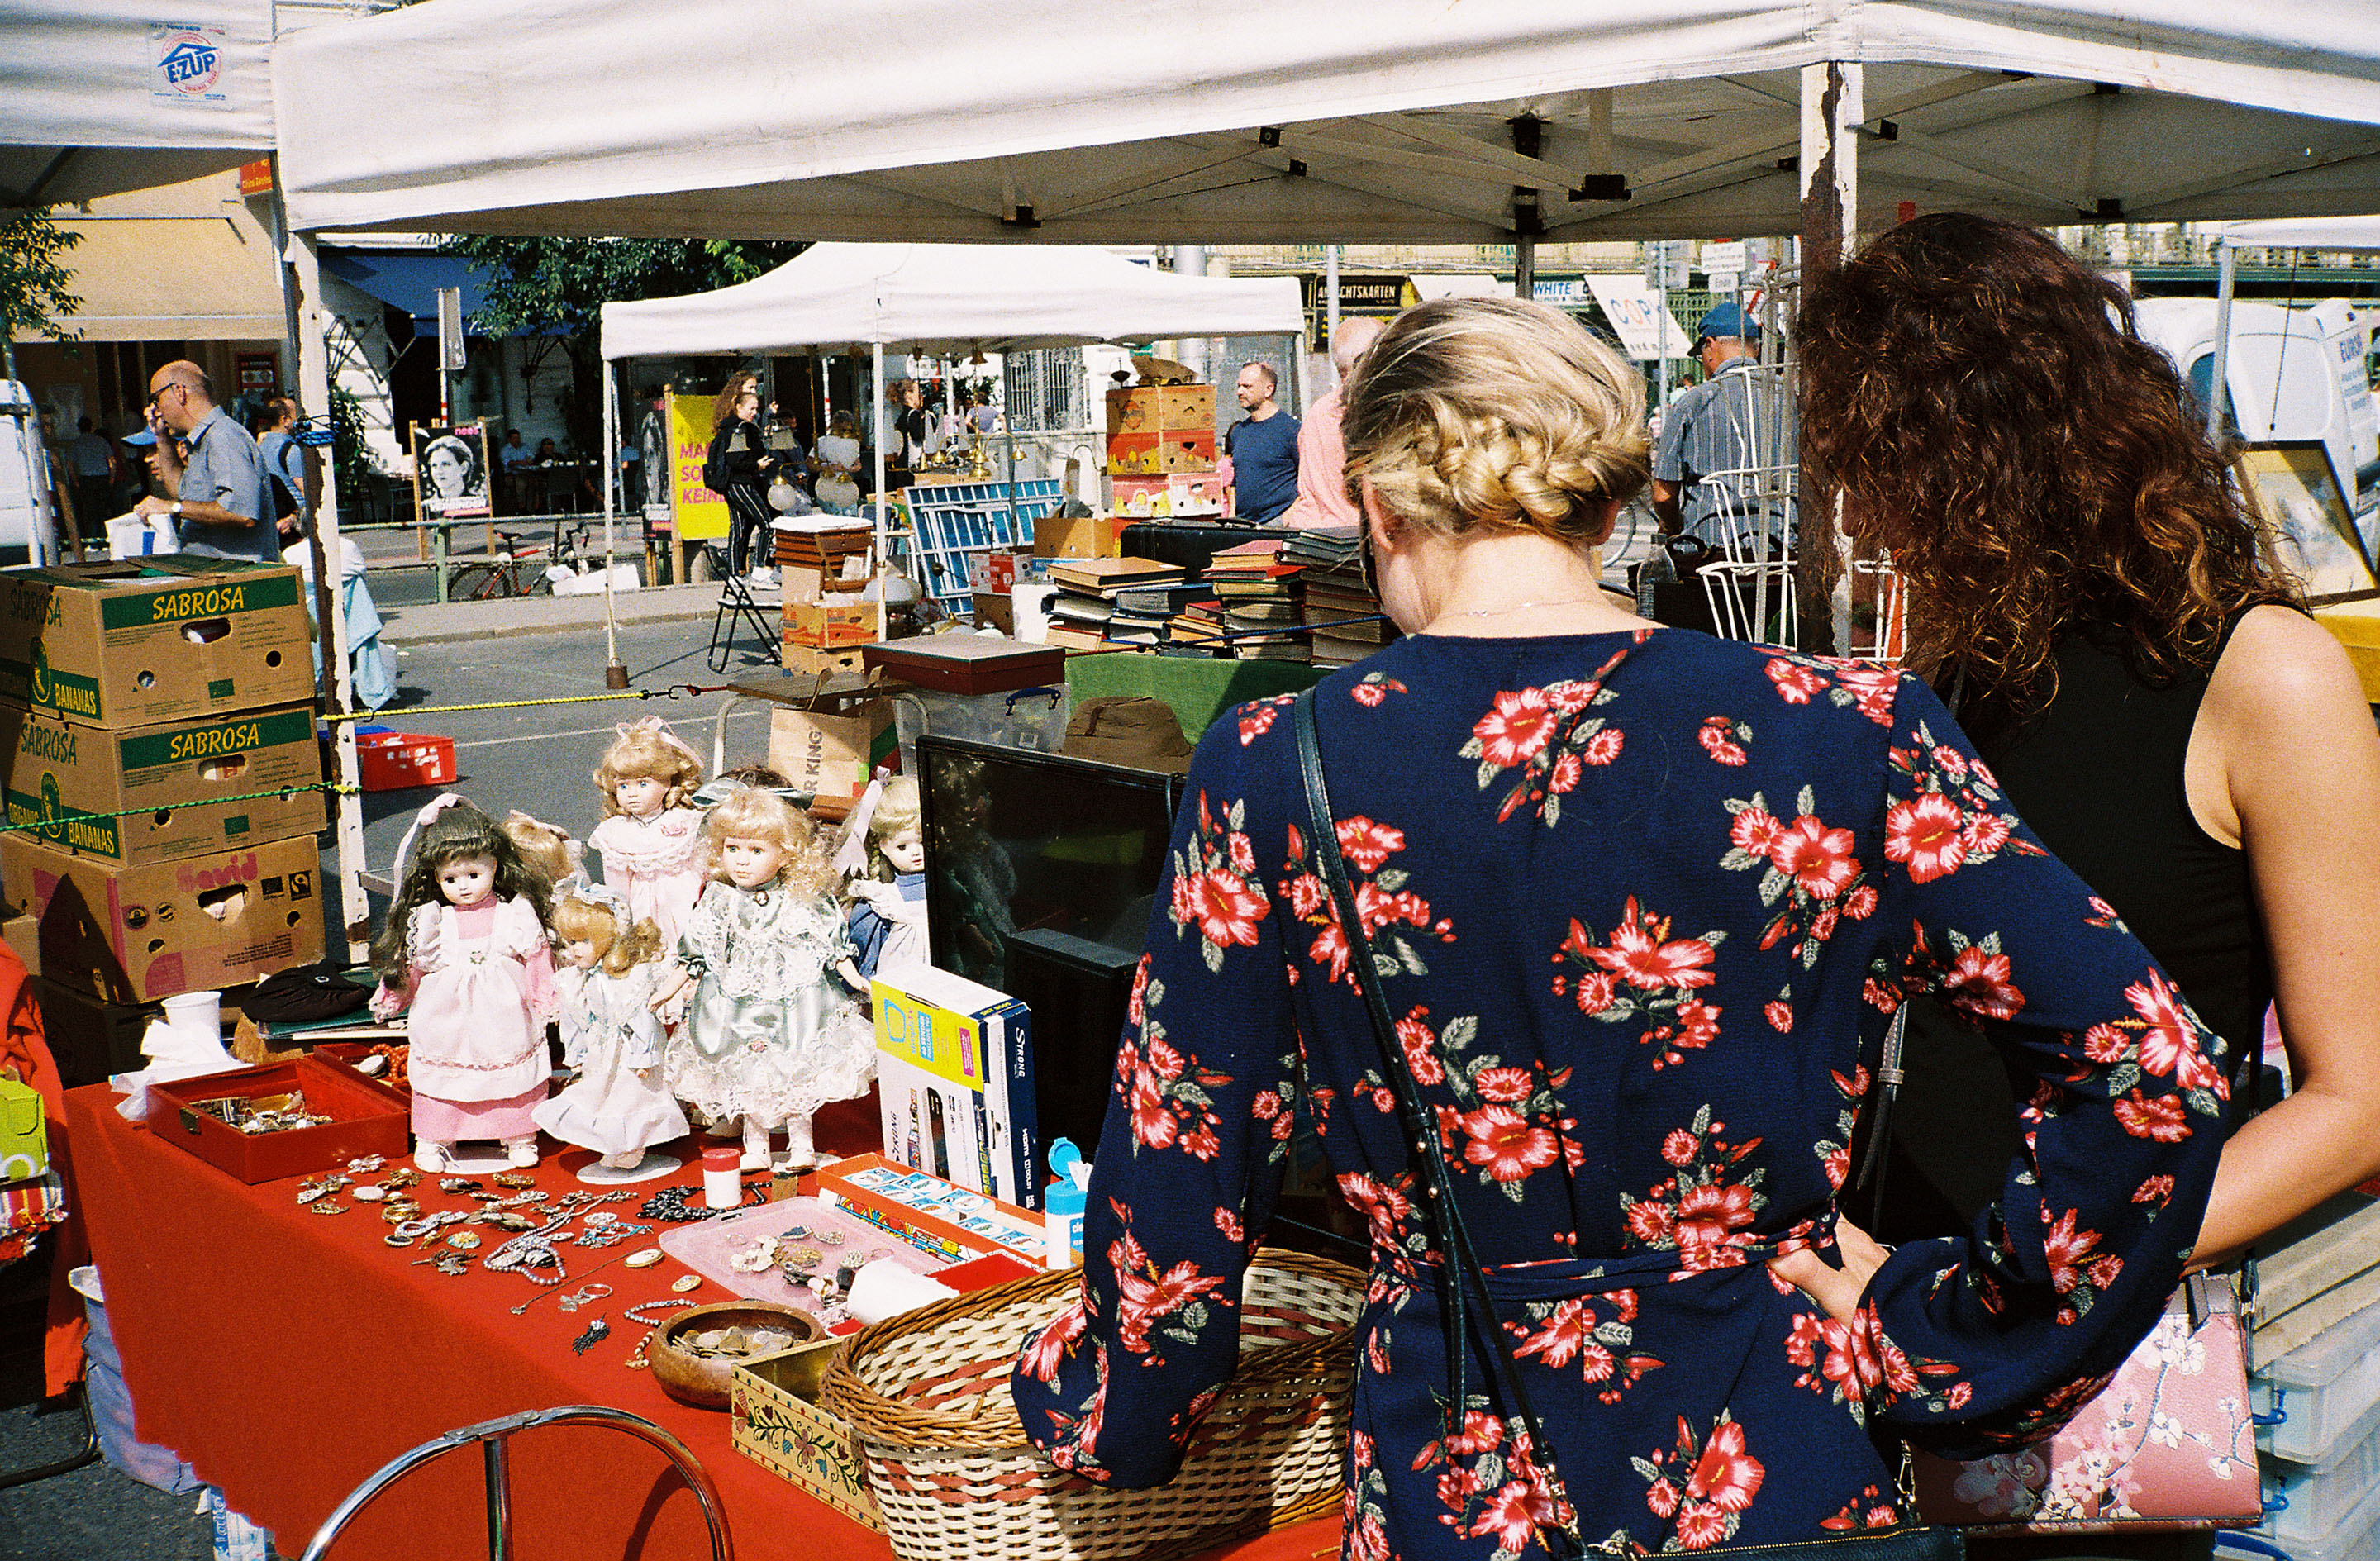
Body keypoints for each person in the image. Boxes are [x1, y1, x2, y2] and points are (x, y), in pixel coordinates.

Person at [1010, 297, 2233, 1557]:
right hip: (1778, 1451)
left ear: (1377, 501)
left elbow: (1185, 1149)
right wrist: (1949, 1333)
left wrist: (1113, 1412)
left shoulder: (1276, 761)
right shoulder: (1848, 725)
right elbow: (2154, 1068)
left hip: (1463, 1465)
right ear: (1608, 502)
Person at [1798, 217, 2380, 1382]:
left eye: (1873, 465)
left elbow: (2358, 1099)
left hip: (2104, 1352)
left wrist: (2030, 1278)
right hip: (1912, 1313)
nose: (1855, 516)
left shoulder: (2262, 672)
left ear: (1977, 449)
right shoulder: (1968, 669)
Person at [1649, 302, 1796, 558]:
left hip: (1710, 552)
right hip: (1784, 549)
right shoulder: (1791, 397)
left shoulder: (1692, 402)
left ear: (1710, 346)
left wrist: (1674, 525)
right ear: (1757, 349)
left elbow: (1662, 495)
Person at [135, 361, 277, 562]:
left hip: (238, 580)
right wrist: (161, 436)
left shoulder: (223, 436)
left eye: (156, 399)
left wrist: (172, 507)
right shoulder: (201, 440)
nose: (154, 410)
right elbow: (182, 493)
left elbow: (241, 513)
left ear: (179, 392)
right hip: (216, 575)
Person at [1277, 316, 1386, 531]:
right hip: (1354, 539)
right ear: (1369, 359)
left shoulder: (1319, 410)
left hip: (1310, 533)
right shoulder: (1374, 409)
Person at [706, 372, 777, 583]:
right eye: (750, 389)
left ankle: (737, 575)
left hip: (733, 482)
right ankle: (761, 571)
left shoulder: (730, 425)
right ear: (738, 403)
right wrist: (756, 464)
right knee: (766, 524)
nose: (755, 411)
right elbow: (736, 459)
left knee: (739, 529)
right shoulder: (739, 428)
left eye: (756, 389)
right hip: (741, 482)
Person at [1224, 360, 1299, 523]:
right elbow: (1237, 480)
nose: (1239, 392)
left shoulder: (1291, 430)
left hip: (1278, 524)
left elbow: (1308, 480)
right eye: (1239, 386)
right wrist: (1232, 515)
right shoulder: (1239, 432)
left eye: (1247, 386)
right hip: (1243, 525)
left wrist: (1287, 518)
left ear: (1268, 390)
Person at [259, 397, 319, 535]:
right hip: (292, 525)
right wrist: (293, 519)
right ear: (285, 420)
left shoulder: (259, 446)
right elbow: (307, 494)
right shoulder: (293, 450)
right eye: (296, 416)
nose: (301, 421)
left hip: (269, 522)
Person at [64, 417, 114, 541]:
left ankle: (92, 539)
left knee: (90, 510)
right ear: (91, 427)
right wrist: (112, 477)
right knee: (104, 508)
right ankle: (106, 538)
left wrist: (75, 480)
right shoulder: (101, 441)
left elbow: (70, 464)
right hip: (102, 477)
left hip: (86, 479)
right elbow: (112, 461)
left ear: (79, 428)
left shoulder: (76, 443)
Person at [419, 432, 486, 516]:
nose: (439, 471)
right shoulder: (425, 509)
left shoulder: (479, 504)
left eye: (446, 464)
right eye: (434, 466)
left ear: (464, 468)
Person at [812, 411, 864, 513]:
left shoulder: (850, 443)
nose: (845, 434)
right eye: (843, 430)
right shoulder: (822, 442)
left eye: (848, 431)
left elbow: (858, 465)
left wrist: (846, 468)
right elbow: (810, 464)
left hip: (845, 487)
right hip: (827, 487)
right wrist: (828, 468)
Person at [498, 428, 535, 512]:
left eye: (518, 438)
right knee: (521, 484)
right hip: (512, 474)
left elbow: (531, 456)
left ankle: (530, 509)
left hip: (526, 472)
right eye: (514, 438)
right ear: (509, 439)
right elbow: (506, 463)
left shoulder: (524, 447)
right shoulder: (505, 450)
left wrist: (529, 460)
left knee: (533, 483)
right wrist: (519, 462)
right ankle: (521, 508)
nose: (517, 440)